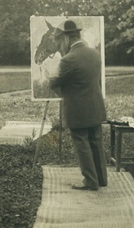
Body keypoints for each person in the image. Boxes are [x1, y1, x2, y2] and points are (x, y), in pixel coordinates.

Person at [48, 20, 107, 190]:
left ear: (67, 38)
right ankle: (101, 179)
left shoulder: (69, 59)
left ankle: (90, 181)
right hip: (96, 107)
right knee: (96, 142)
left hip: (78, 110)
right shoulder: (94, 53)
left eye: (61, 41)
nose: (61, 45)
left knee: (82, 144)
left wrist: (49, 77)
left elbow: (57, 82)